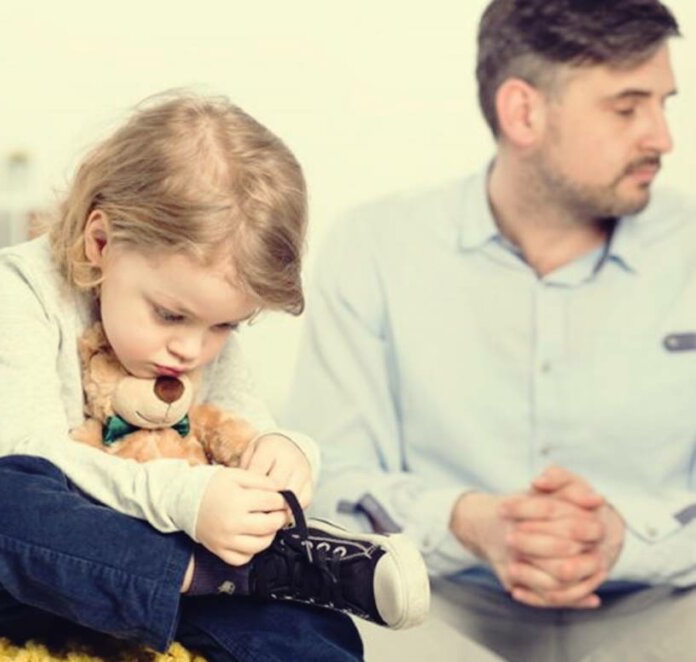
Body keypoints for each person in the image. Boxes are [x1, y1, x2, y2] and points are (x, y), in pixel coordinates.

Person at [0, 93, 431, 662]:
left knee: (302, 626)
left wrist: (284, 453)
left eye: (223, 327)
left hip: (173, 575)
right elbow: (34, 452)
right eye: (169, 315)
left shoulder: (199, 327)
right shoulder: (19, 288)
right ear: (101, 242)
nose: (191, 348)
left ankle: (250, 575)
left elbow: (241, 420)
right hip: (19, 577)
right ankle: (229, 571)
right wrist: (188, 500)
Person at [285, 0, 695, 660]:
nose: (662, 138)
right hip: (438, 611)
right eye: (628, 108)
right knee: (312, 627)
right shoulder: (376, 249)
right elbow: (330, 482)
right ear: (523, 113)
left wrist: (626, 537)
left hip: (664, 607)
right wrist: (470, 522)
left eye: (663, 103)